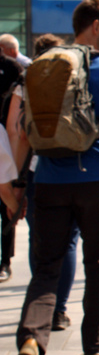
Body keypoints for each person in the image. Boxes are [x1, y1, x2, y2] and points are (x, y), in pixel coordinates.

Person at [14, 0, 99, 355]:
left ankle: (31, 341)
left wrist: (17, 182)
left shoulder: (43, 67)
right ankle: (95, 346)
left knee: (46, 268)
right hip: (91, 179)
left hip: (47, 181)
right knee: (97, 264)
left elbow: (21, 132)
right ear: (95, 27)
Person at [7, 34, 79, 332]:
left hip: (38, 171)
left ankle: (41, 306)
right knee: (70, 242)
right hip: (73, 167)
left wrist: (15, 178)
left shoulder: (26, 82)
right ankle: (60, 310)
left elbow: (17, 131)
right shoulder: (73, 77)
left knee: (39, 239)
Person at [0, 49, 22, 283]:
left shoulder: (13, 67)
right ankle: (4, 262)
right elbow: (4, 188)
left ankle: (5, 261)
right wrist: (15, 206)